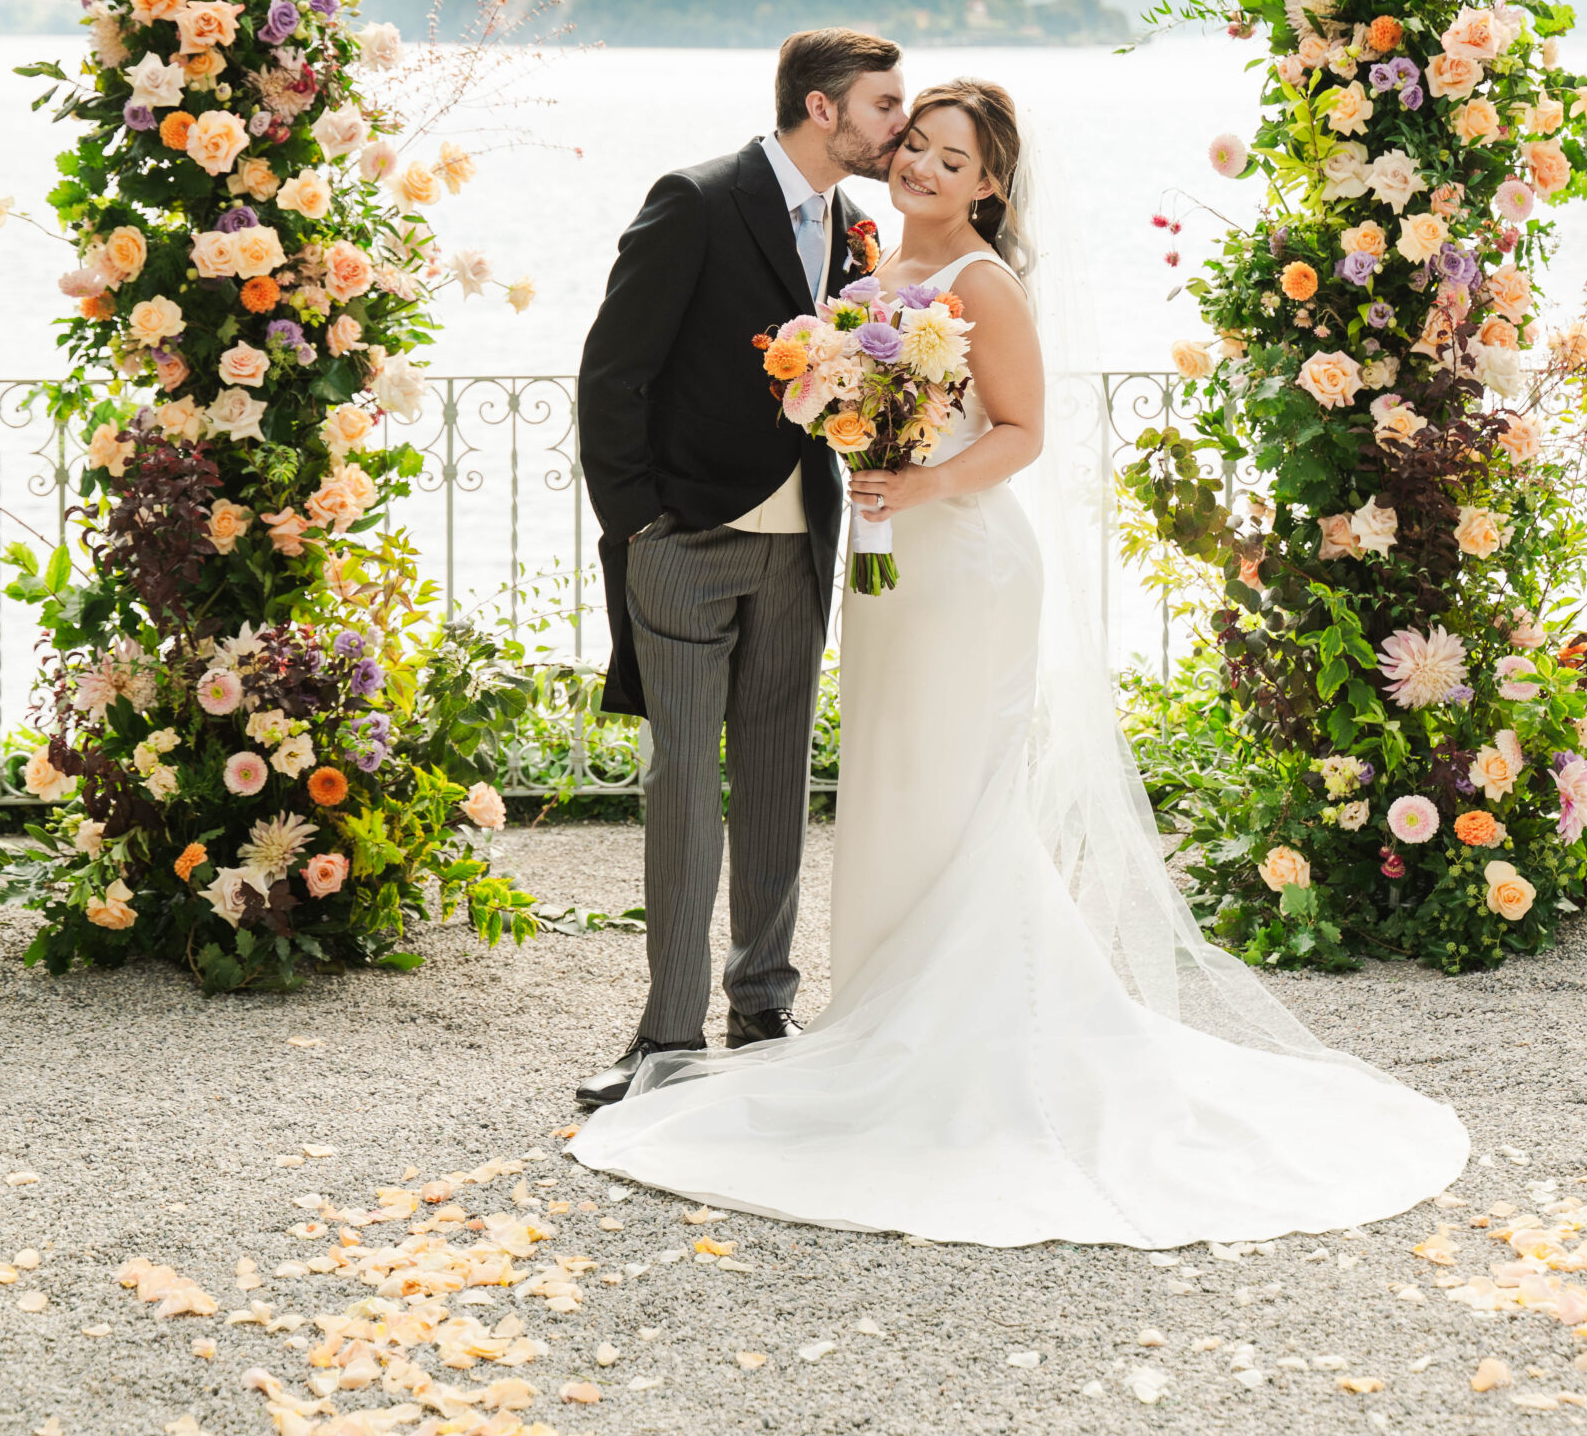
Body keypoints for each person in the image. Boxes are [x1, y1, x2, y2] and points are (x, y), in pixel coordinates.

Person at [570, 78, 1470, 1243]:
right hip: (886, 571)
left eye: (952, 158)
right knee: (891, 787)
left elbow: (1024, 431)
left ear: (989, 182)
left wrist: (918, 478)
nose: (924, 168)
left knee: (953, 790)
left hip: (965, 568)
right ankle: (880, 1012)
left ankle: (963, 1028)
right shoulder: (865, 276)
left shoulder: (980, 286)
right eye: (914, 147)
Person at [574, 28, 908, 1108]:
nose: (897, 126)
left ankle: (761, 1003)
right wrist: (638, 524)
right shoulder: (696, 198)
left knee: (774, 778)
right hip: (684, 540)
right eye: (883, 105)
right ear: (823, 108)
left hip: (799, 542)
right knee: (683, 780)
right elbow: (611, 372)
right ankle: (664, 1033)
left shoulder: (856, 229)